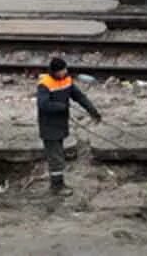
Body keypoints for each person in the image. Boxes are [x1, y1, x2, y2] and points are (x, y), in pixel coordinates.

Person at [35, 56, 100, 194]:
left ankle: (58, 184)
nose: (65, 72)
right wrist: (62, 106)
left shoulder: (66, 80)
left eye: (65, 69)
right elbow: (43, 104)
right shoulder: (45, 84)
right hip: (49, 126)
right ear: (54, 71)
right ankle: (57, 187)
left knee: (58, 155)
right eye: (62, 71)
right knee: (56, 157)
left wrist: (92, 111)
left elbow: (80, 97)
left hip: (60, 125)